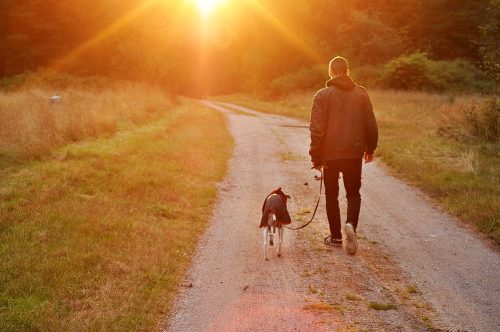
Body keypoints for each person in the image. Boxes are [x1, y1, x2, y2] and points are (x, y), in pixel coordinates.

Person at [309, 56, 378, 255]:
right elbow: (370, 124)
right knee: (353, 193)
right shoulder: (361, 94)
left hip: (329, 155)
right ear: (348, 71)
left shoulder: (322, 95)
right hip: (354, 153)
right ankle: (351, 226)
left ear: (331, 72)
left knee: (331, 195)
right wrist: (370, 149)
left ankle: (336, 237)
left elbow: (317, 129)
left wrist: (315, 156)